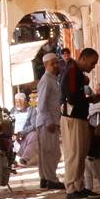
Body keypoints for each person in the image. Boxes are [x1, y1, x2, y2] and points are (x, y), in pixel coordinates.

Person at [61, 47, 100, 199]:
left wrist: (89, 100)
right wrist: (88, 100)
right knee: (74, 153)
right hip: (73, 118)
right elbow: (71, 98)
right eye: (92, 63)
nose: (93, 67)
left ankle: (79, 186)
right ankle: (71, 189)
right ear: (83, 58)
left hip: (80, 117)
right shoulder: (72, 71)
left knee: (81, 153)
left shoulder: (77, 73)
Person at [34, 52, 63, 189]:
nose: (56, 65)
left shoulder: (52, 79)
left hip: (50, 121)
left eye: (57, 62)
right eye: (53, 64)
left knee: (47, 152)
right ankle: (51, 180)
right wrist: (49, 121)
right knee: (51, 152)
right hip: (47, 122)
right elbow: (42, 105)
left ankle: (45, 179)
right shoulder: (46, 80)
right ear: (46, 65)